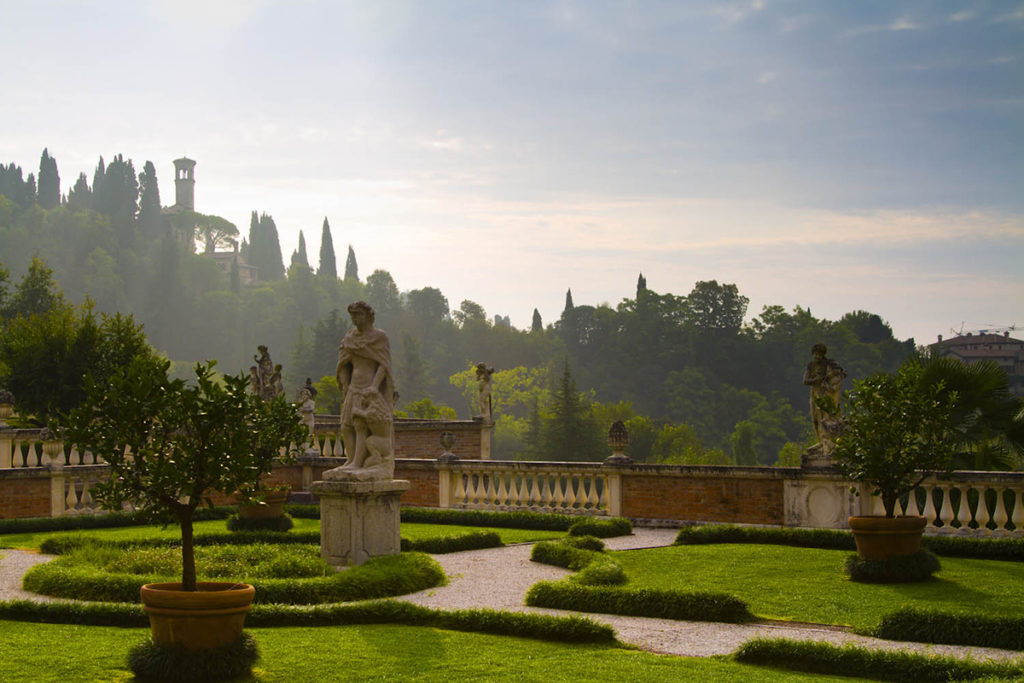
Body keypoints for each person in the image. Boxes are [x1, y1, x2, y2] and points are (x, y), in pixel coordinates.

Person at [326, 301, 395, 481]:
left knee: (361, 425)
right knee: (346, 425)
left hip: (368, 389)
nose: (355, 319)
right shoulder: (350, 338)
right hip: (353, 387)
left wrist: (374, 385)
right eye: (353, 316)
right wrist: (345, 383)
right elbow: (344, 363)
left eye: (359, 315)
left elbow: (383, 364)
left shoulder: (379, 337)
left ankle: (358, 462)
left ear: (368, 315)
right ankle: (351, 460)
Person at [802, 343, 846, 454]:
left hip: (825, 395)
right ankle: (821, 441)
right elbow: (805, 381)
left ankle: (827, 442)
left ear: (823, 355)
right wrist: (816, 380)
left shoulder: (828, 365)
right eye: (815, 354)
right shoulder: (810, 365)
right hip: (814, 395)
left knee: (825, 419)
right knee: (815, 420)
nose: (817, 356)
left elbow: (840, 375)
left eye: (819, 354)